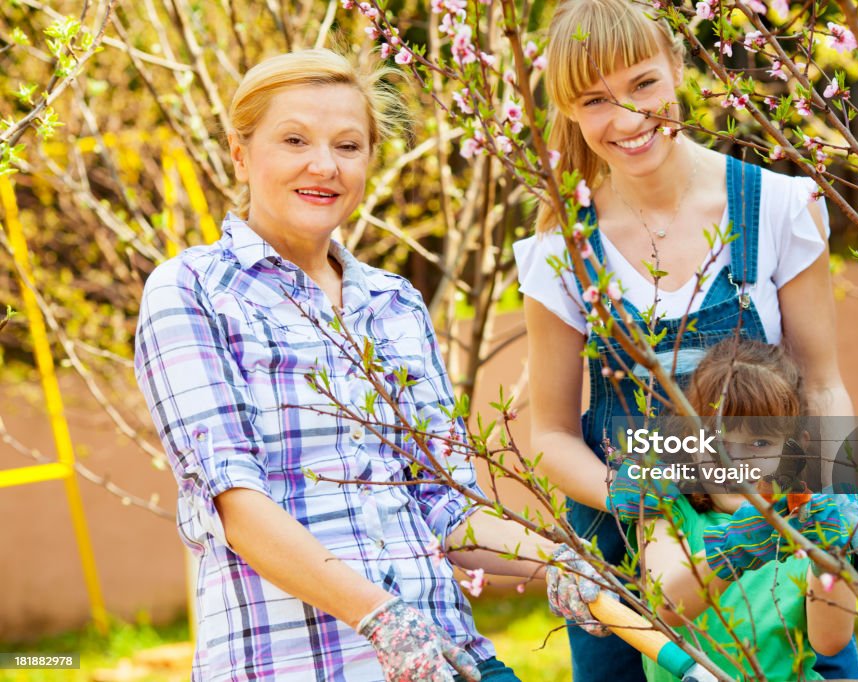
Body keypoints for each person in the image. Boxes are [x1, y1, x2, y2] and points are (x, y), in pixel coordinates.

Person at [134, 49, 594, 682]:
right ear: (240, 154)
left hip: (452, 658)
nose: (324, 165)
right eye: (294, 139)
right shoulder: (191, 290)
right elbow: (233, 503)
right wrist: (379, 617)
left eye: (348, 146)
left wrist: (563, 562)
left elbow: (447, 504)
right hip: (295, 668)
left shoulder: (395, 303)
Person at [512, 1, 858, 679]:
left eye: (643, 85)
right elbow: (552, 436)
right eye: (595, 99)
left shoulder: (776, 206)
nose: (626, 119)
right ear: (566, 108)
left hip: (774, 524)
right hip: (623, 547)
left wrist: (836, 501)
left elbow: (822, 382)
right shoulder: (559, 249)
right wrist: (644, 498)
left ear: (677, 67)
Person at [628, 339, 858, 681]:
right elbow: (668, 606)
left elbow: (830, 642)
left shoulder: (804, 527)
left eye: (760, 443)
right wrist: (737, 547)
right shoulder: (667, 514)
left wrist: (831, 554)